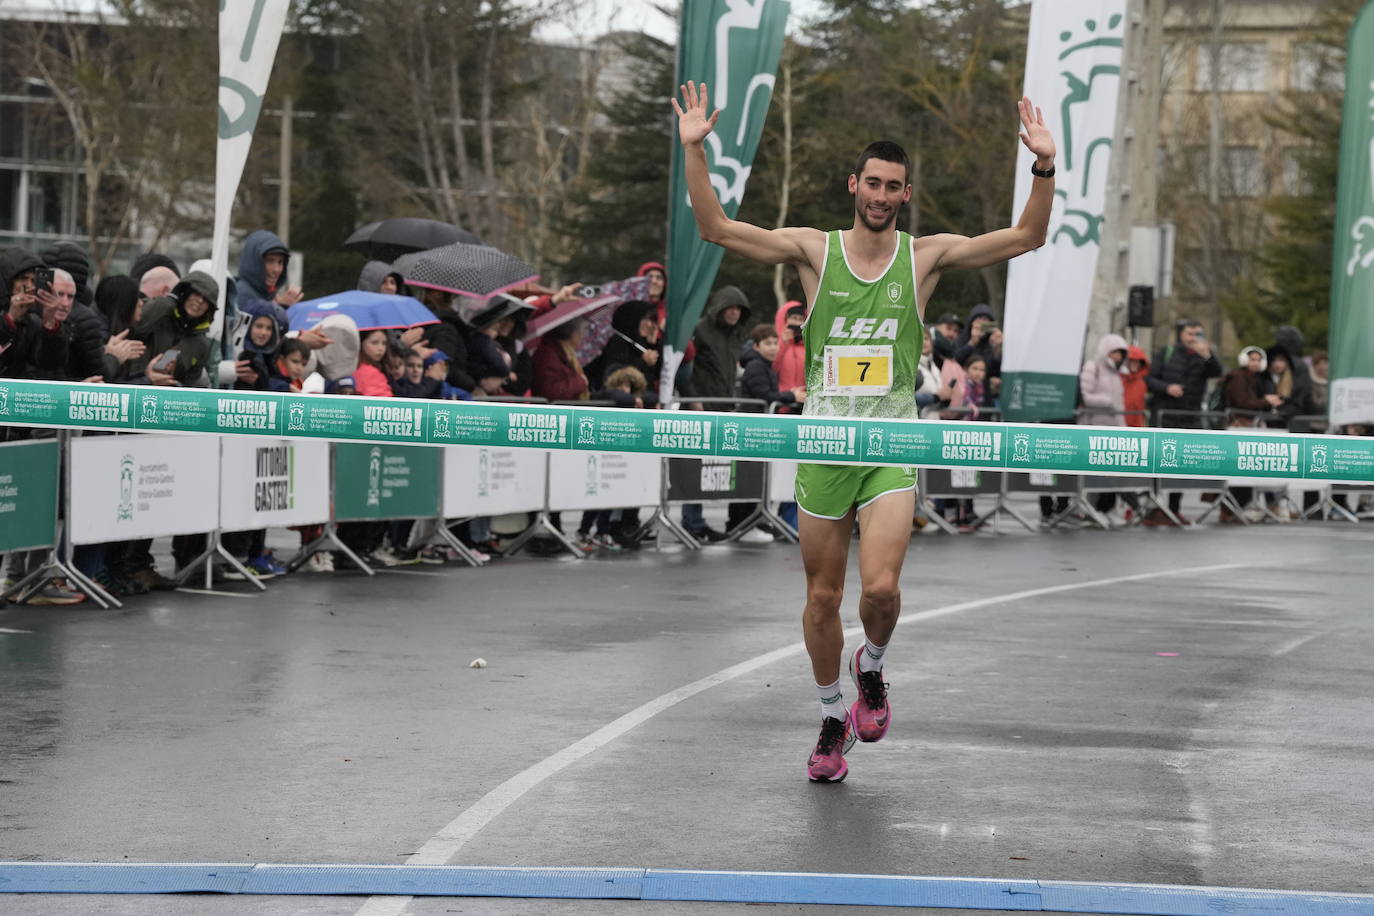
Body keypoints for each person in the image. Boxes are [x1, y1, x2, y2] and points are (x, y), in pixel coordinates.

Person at [674, 82, 1056, 781]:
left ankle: (871, 668)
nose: (880, 195)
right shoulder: (815, 252)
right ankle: (828, 715)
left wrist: (1043, 166)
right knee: (821, 598)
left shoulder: (924, 258)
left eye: (893, 187)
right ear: (855, 184)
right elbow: (718, 230)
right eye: (871, 183)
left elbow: (1027, 237)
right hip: (825, 445)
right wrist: (694, 150)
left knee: (878, 591)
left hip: (890, 446)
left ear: (906, 194)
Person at [1143, 319, 1222, 526]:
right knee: (1158, 462)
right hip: (1164, 416)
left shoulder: (1203, 356)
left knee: (1179, 465)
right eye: (1190, 333)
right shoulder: (1166, 353)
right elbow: (1149, 379)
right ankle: (1153, 507)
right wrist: (1167, 387)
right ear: (1181, 335)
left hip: (1189, 417)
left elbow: (1217, 373)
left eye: (1198, 334)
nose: (1194, 338)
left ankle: (1173, 508)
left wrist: (1207, 356)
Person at [236, 229, 302, 328]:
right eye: (269, 261)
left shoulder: (260, 294)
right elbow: (260, 340)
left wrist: (281, 307)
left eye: (280, 262)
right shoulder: (244, 297)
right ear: (253, 262)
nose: (276, 269)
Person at [1078, 333, 1128, 427]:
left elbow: (1119, 408)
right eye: (1115, 352)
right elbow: (1086, 397)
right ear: (1106, 351)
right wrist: (1108, 402)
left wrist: (1123, 428)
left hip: (1113, 428)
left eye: (1121, 353)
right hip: (1092, 425)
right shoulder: (1092, 367)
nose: (1118, 356)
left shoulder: (1117, 374)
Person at [1122, 345, 1149, 427]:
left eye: (1138, 361)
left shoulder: (1141, 384)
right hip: (1117, 425)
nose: (1135, 364)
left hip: (1135, 427)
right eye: (1132, 361)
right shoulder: (1118, 379)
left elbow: (1140, 407)